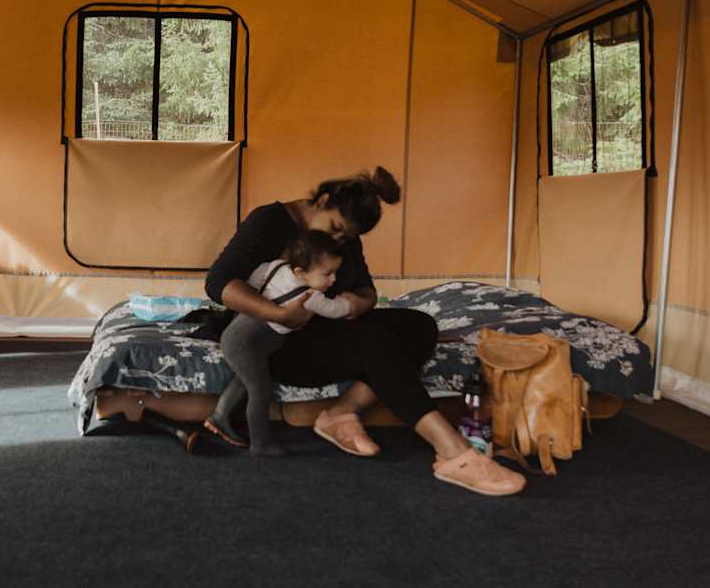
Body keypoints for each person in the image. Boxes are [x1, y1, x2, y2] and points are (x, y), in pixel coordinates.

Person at [204, 166, 525, 496]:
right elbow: (218, 283)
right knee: (375, 342)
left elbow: (366, 290)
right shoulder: (269, 221)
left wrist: (360, 304)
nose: (337, 240)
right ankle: (453, 450)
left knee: (419, 326)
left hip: (325, 330)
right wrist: (280, 314)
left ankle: (342, 414)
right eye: (335, 228)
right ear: (323, 200)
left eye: (347, 237)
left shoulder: (346, 239)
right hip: (271, 343)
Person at [204, 230, 352, 456]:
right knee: (260, 389)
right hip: (247, 342)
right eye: (328, 274)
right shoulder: (311, 297)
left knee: (245, 378)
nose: (334, 280)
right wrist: (351, 303)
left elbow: (252, 280)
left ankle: (219, 417)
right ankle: (260, 444)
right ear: (300, 272)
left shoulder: (275, 267)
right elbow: (336, 311)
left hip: (237, 333)